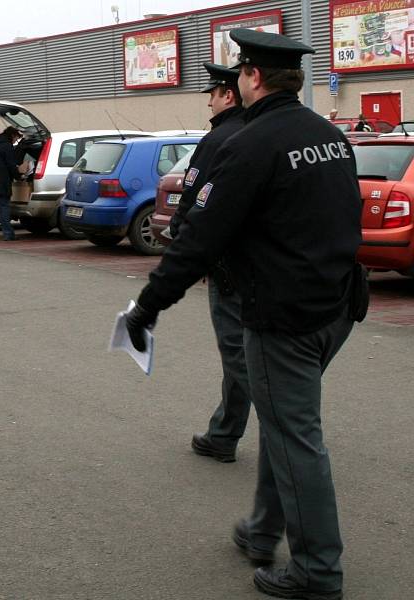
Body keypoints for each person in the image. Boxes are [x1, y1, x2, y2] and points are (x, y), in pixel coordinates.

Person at [124, 29, 367, 599]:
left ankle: (317, 572)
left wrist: (147, 307)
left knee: (296, 437)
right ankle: (263, 531)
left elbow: (196, 242)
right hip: (336, 307)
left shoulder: (248, 147)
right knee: (284, 426)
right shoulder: (331, 136)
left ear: (252, 78)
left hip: (284, 317)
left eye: (236, 76)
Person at [168, 62, 251, 463]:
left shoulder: (218, 139)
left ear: (228, 95)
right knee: (251, 351)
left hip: (229, 267)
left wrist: (184, 247)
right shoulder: (259, 132)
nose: (209, 104)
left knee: (238, 353)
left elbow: (193, 198)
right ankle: (225, 433)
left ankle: (284, 429)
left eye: (213, 95)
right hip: (266, 267)